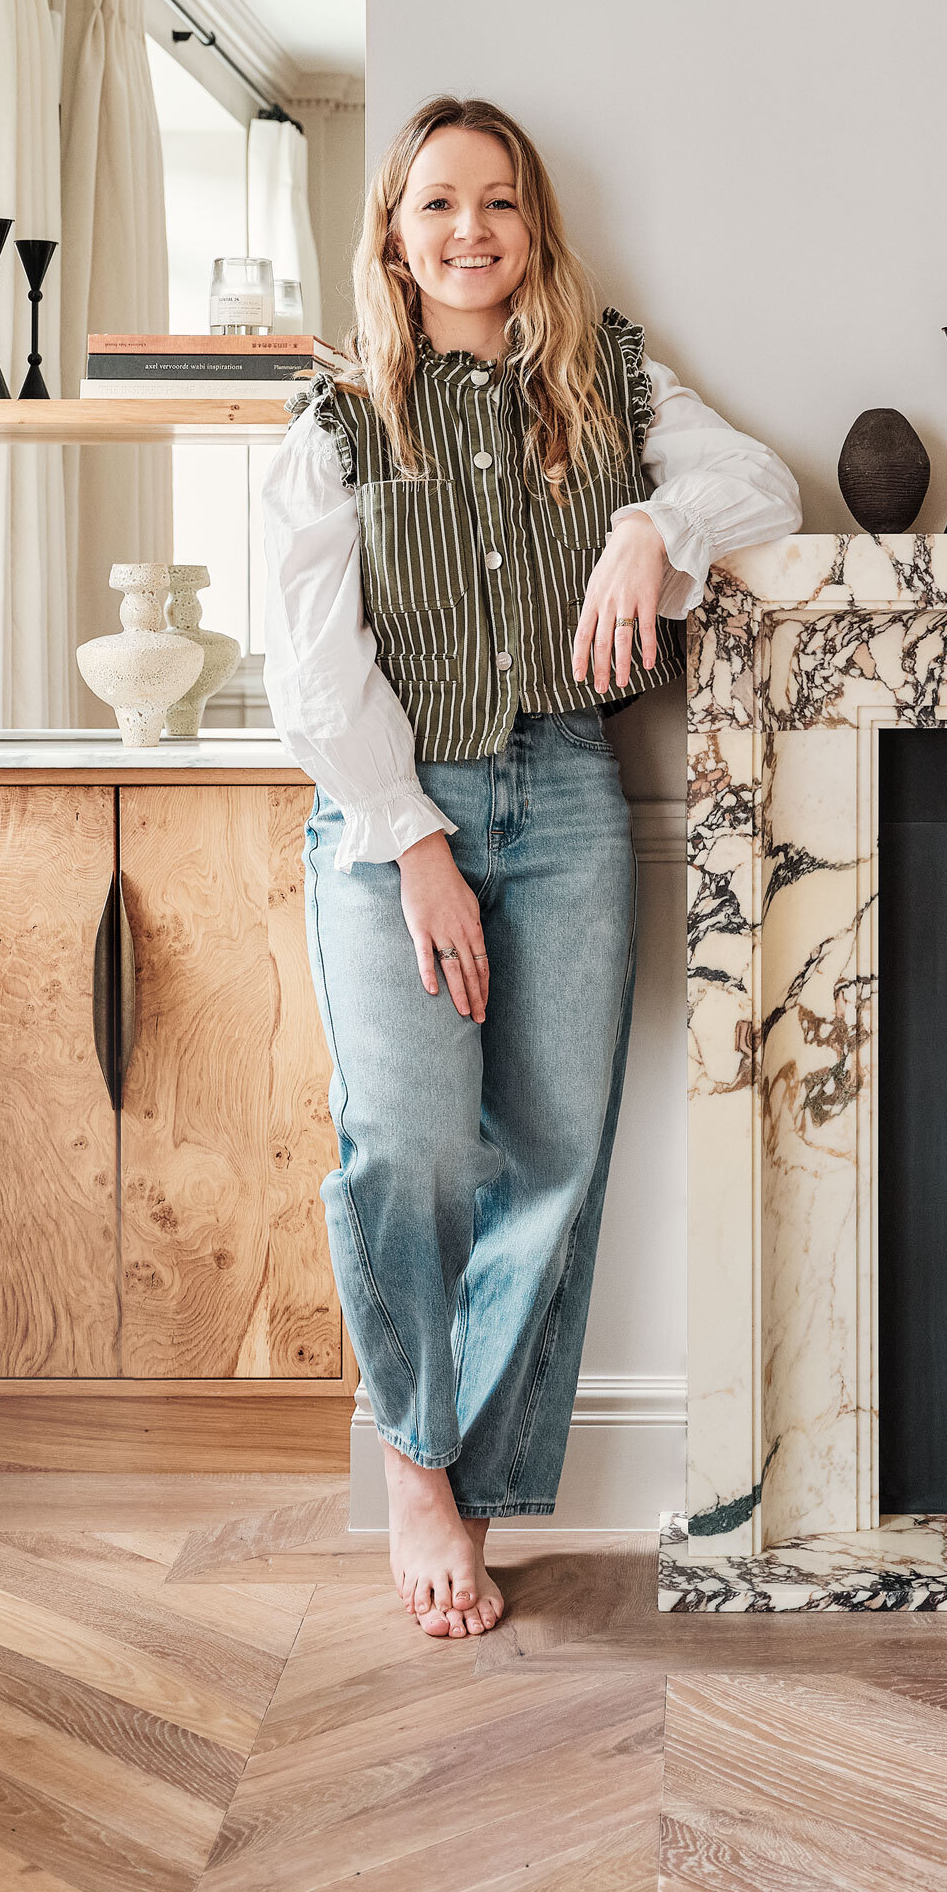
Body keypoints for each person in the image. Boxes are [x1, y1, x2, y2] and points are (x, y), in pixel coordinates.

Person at [262, 94, 800, 1638]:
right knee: (410, 1151)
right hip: (391, 811)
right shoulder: (336, 415)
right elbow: (313, 667)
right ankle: (415, 1465)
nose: (471, 231)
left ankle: (467, 1480)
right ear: (393, 232)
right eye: (438, 203)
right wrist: (415, 841)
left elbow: (762, 487)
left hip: (568, 793)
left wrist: (650, 526)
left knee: (554, 1162)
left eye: (498, 203)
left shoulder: (610, 377)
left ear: (533, 228)